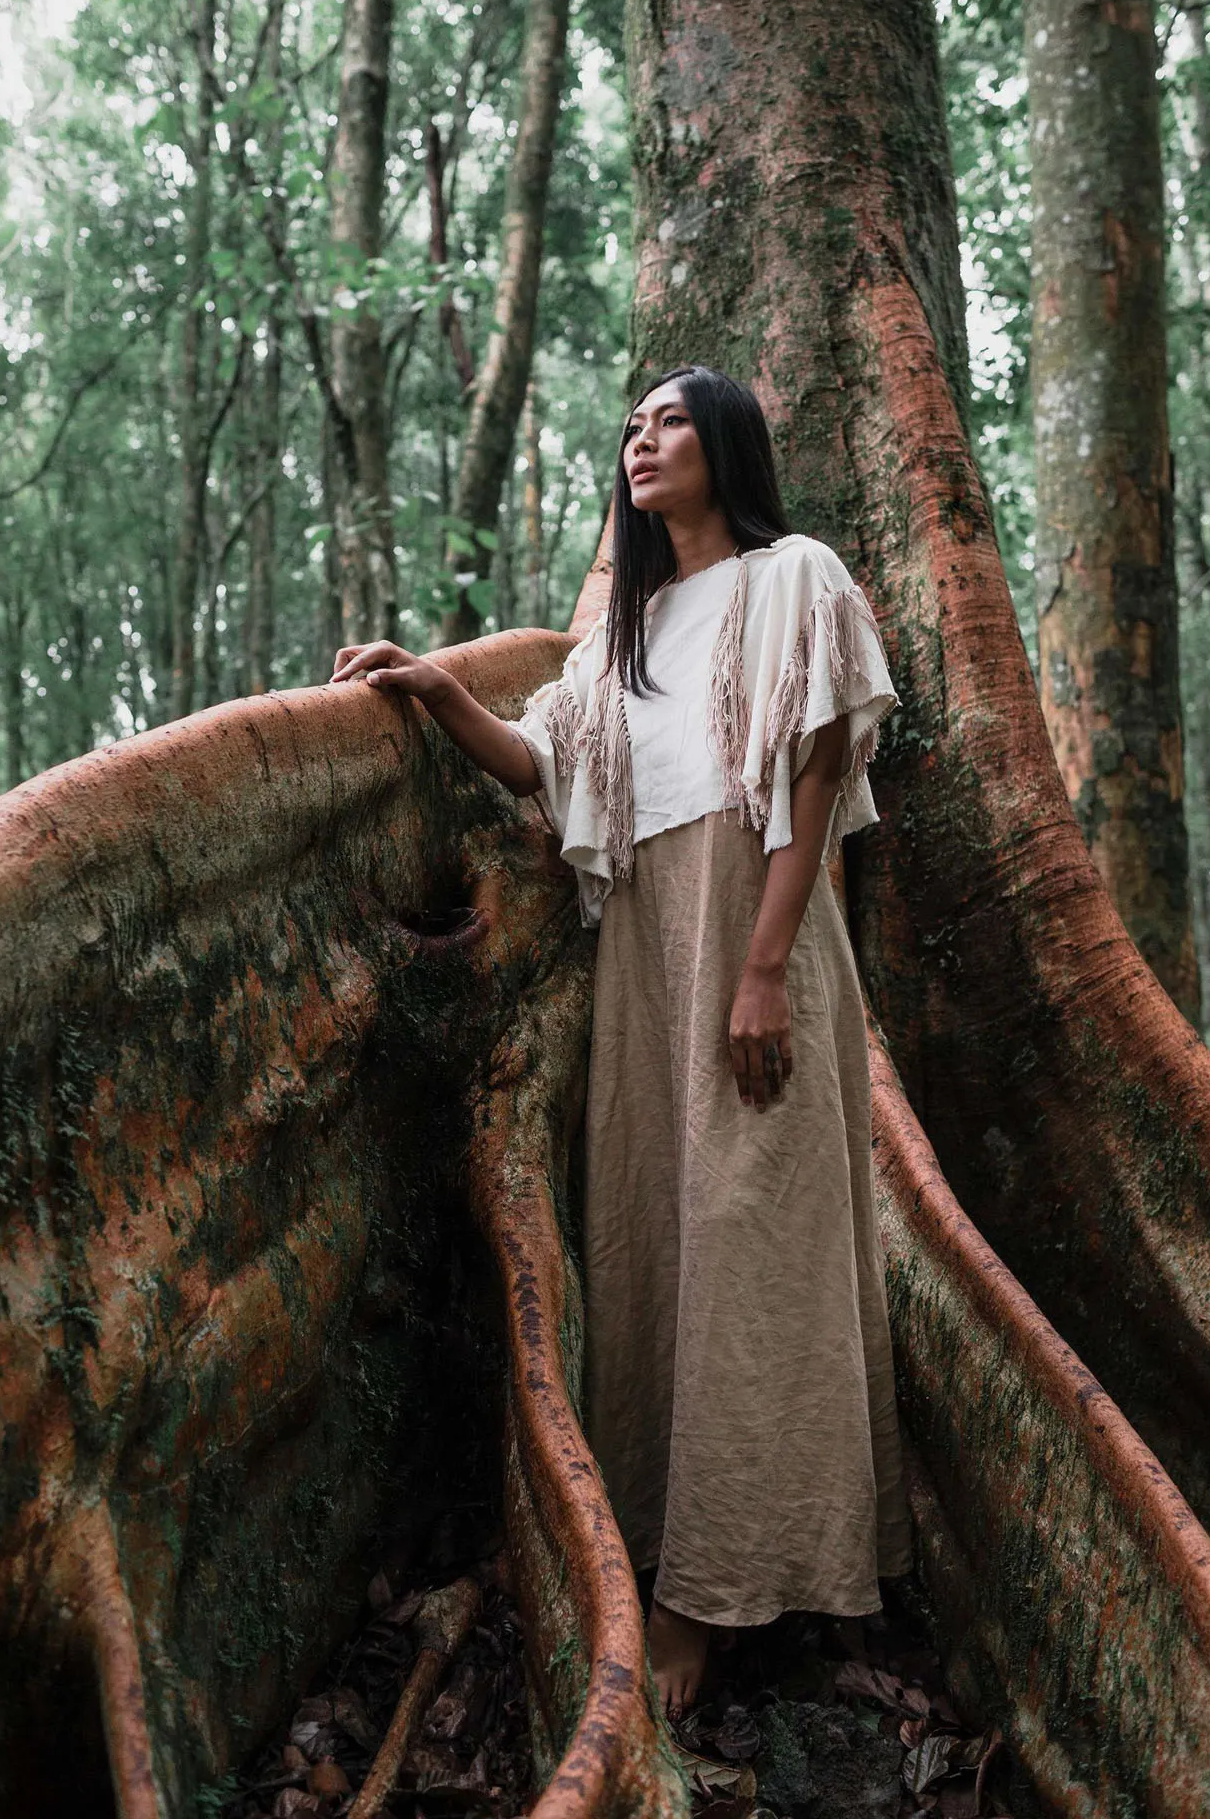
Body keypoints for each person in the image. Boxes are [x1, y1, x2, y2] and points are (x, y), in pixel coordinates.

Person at [329, 364, 912, 1718]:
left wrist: (764, 968)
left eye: (669, 421)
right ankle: (658, 1546)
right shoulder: (628, 634)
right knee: (660, 1237)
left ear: (729, 443)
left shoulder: (793, 578)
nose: (643, 442)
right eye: (632, 427)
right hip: (644, 946)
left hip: (750, 933)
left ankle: (711, 1603)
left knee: (753, 1234)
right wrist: (428, 688)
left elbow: (819, 776)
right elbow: (547, 764)